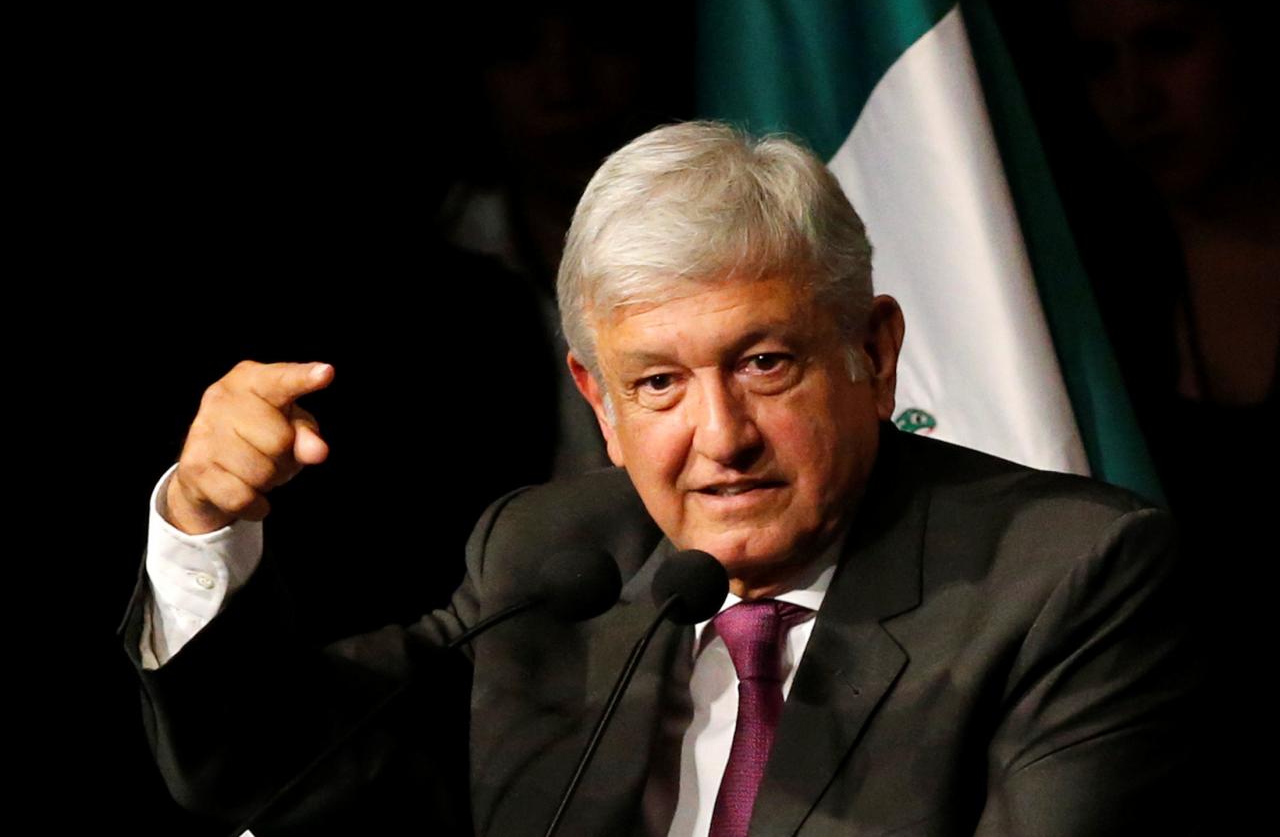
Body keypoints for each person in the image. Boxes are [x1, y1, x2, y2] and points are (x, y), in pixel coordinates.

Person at [125, 121, 1199, 836]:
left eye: (763, 363)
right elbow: (262, 766)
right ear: (596, 402)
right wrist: (206, 519)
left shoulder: (1067, 576)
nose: (718, 436)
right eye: (657, 384)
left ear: (872, 354)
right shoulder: (558, 557)